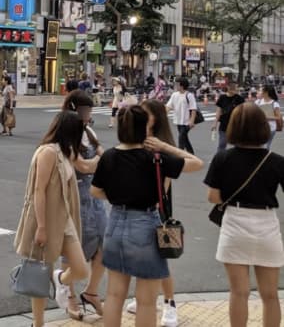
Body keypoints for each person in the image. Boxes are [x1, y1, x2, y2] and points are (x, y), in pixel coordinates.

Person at [90, 105, 203, 327]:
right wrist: (164, 147)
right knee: (146, 301)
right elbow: (196, 164)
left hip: (115, 224)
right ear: (144, 128)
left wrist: (116, 196)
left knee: (114, 295)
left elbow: (95, 190)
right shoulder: (155, 158)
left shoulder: (109, 156)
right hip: (145, 224)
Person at [14, 111, 99, 327]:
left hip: (64, 219)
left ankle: (59, 279)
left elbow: (87, 167)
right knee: (38, 276)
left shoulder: (65, 151)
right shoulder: (48, 152)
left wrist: (103, 155)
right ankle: (38, 323)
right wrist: (41, 227)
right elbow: (38, 191)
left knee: (80, 268)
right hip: (45, 219)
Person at [204, 103, 284, 327]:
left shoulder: (223, 158)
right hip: (267, 224)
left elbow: (212, 196)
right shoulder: (276, 161)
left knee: (239, 292)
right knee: (270, 295)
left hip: (235, 223)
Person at [125, 99, 181, 326]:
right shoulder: (139, 139)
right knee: (141, 256)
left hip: (157, 206)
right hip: (139, 206)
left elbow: (165, 181)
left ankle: (170, 303)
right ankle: (145, 299)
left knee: (161, 258)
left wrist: (157, 206)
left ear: (155, 117)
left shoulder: (161, 143)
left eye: (145, 113)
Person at [61, 91, 107, 320]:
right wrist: (99, 162)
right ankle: (68, 294)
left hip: (94, 196)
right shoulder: (66, 134)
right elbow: (82, 166)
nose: (89, 115)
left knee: (103, 245)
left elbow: (100, 158)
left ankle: (91, 292)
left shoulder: (89, 131)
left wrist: (99, 162)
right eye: (86, 110)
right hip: (74, 195)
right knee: (73, 246)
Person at [166, 78, 197, 154]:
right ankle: (191, 153)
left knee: (181, 139)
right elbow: (169, 106)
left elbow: (193, 109)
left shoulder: (189, 95)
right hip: (178, 120)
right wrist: (163, 115)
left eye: (177, 84)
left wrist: (192, 121)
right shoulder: (174, 95)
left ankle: (180, 156)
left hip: (187, 122)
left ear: (182, 86)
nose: (175, 86)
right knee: (184, 138)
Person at [212, 82, 245, 152]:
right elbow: (218, 111)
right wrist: (215, 123)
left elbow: (243, 111)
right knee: (222, 144)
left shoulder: (240, 99)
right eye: (234, 88)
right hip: (224, 124)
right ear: (229, 88)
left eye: (236, 88)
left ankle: (237, 159)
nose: (236, 90)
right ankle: (220, 159)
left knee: (237, 144)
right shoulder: (222, 97)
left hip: (236, 124)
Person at [255, 85, 281, 149]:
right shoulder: (257, 102)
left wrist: (267, 117)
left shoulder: (274, 103)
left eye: (261, 90)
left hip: (270, 128)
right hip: (259, 127)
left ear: (266, 93)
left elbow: (278, 117)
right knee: (258, 145)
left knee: (266, 146)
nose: (259, 92)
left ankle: (265, 157)